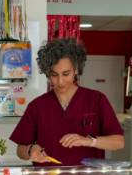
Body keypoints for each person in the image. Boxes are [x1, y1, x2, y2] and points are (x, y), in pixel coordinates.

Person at [10, 38, 125, 166]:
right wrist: (30, 150)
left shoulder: (97, 100)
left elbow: (119, 142)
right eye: (54, 75)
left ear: (76, 70)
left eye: (66, 74)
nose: (60, 81)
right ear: (47, 73)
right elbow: (20, 150)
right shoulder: (37, 106)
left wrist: (89, 141)